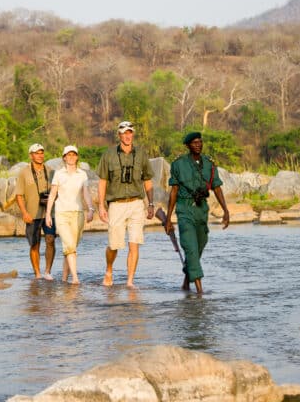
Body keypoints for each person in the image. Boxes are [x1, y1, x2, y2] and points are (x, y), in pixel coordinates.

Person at [164, 132, 229, 294]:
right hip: (184, 208)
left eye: (200, 142)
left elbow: (217, 187)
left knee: (199, 245)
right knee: (190, 246)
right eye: (194, 142)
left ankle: (186, 282)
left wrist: (226, 210)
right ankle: (199, 291)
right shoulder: (178, 164)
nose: (198, 145)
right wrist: (168, 218)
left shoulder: (209, 164)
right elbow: (174, 191)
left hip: (202, 209)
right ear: (187, 145)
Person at [97, 121, 155, 288]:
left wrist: (150, 204)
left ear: (132, 134)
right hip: (116, 204)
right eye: (124, 133)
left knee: (134, 243)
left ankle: (130, 281)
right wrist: (101, 206)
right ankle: (109, 270)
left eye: (130, 132)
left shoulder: (142, 154)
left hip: (137, 204)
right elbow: (102, 182)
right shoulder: (108, 155)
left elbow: (148, 181)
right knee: (114, 245)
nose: (128, 135)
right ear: (119, 135)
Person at [45, 145, 94, 284]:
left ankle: (64, 279)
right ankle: (75, 279)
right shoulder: (59, 174)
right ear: (64, 157)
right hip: (62, 214)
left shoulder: (82, 174)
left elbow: (86, 194)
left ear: (77, 157)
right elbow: (53, 194)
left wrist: (91, 209)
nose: (71, 157)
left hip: (78, 214)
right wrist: (48, 214)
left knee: (70, 247)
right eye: (68, 155)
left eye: (74, 154)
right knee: (70, 247)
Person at [15, 143, 57, 280]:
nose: (40, 155)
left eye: (42, 152)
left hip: (48, 214)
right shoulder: (24, 173)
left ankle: (47, 271)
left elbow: (57, 191)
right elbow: (19, 195)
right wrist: (24, 213)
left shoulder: (51, 171)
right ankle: (37, 273)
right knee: (35, 244)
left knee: (50, 240)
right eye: (37, 153)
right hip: (32, 214)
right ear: (31, 155)